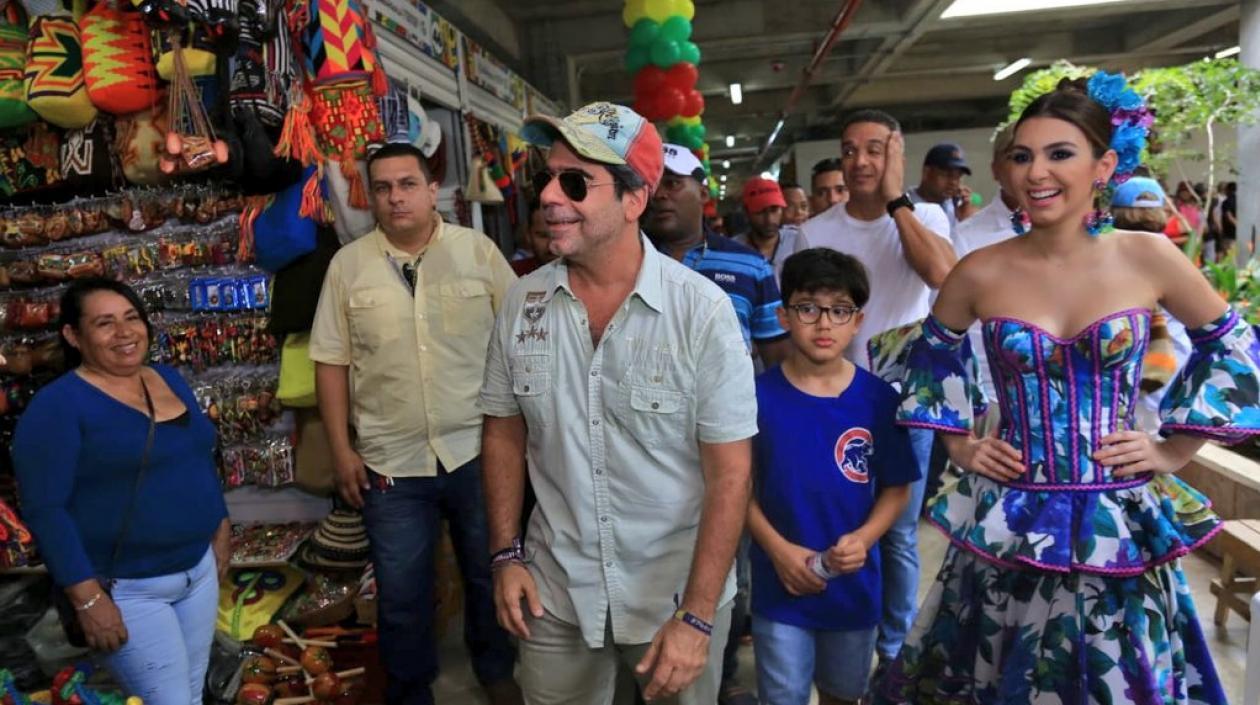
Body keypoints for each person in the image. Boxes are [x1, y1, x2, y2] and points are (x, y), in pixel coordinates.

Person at [874, 73, 1254, 705]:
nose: (1036, 172)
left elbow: (1234, 349)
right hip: (1009, 526)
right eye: (1022, 156)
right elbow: (923, 358)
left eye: (1059, 153)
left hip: (1118, 524)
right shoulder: (979, 270)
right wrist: (961, 443)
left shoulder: (1148, 256)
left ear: (1105, 165)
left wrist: (1172, 449)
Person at [478, 102, 756, 705]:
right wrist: (505, 554)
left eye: (575, 182)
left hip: (674, 598)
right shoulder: (521, 304)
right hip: (555, 591)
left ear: (634, 200)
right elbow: (503, 430)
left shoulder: (701, 313)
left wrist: (700, 616)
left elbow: (730, 473)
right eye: (546, 178)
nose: (550, 195)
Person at [310, 142, 520, 705]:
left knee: (489, 571)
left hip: (478, 451)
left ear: (433, 191)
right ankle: (410, 691)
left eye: (407, 184)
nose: (395, 197)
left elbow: (521, 343)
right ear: (371, 197)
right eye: (383, 188)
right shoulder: (347, 268)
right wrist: (341, 451)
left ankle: (497, 669)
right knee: (402, 592)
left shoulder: (478, 253)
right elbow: (330, 363)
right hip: (390, 461)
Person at [13, 278, 230, 705]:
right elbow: (45, 510)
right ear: (73, 336)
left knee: (190, 695)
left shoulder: (166, 378)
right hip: (128, 588)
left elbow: (198, 454)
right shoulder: (58, 406)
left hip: (197, 571)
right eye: (105, 323)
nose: (125, 332)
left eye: (131, 318)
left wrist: (219, 523)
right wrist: (89, 600)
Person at [796, 108, 955, 673]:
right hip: (833, 400)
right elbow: (802, 317)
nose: (859, 161)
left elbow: (942, 275)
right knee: (838, 528)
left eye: (874, 149)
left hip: (905, 405)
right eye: (849, 149)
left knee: (899, 536)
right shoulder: (817, 231)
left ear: (898, 154)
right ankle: (841, 639)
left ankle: (892, 653)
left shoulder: (927, 215)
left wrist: (897, 202)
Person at [643, 144, 787, 705]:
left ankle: (718, 674)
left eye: (676, 183)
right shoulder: (624, 263)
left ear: (702, 190)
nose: (663, 195)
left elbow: (776, 361)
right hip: (648, 447)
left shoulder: (749, 267)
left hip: (727, 448)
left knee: (729, 570)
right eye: (654, 183)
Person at [748, 248, 918, 705]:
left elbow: (897, 487)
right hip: (778, 583)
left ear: (858, 321)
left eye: (839, 310)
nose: (824, 324)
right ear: (784, 315)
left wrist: (864, 538)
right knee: (781, 695)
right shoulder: (755, 397)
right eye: (809, 308)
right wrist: (779, 551)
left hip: (853, 587)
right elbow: (736, 489)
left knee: (844, 694)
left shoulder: (878, 400)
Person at [734, 177, 807, 283]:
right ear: (746, 212)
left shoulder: (798, 240)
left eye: (774, 210)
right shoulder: (734, 249)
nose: (769, 219)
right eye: (760, 212)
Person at [908, 142, 979, 244]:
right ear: (926, 173)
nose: (954, 182)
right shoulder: (906, 208)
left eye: (958, 176)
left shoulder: (958, 205)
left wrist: (966, 221)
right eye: (947, 175)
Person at [512, 198, 556, 276]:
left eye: (559, 235)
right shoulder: (511, 275)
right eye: (543, 236)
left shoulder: (584, 275)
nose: (551, 246)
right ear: (528, 236)